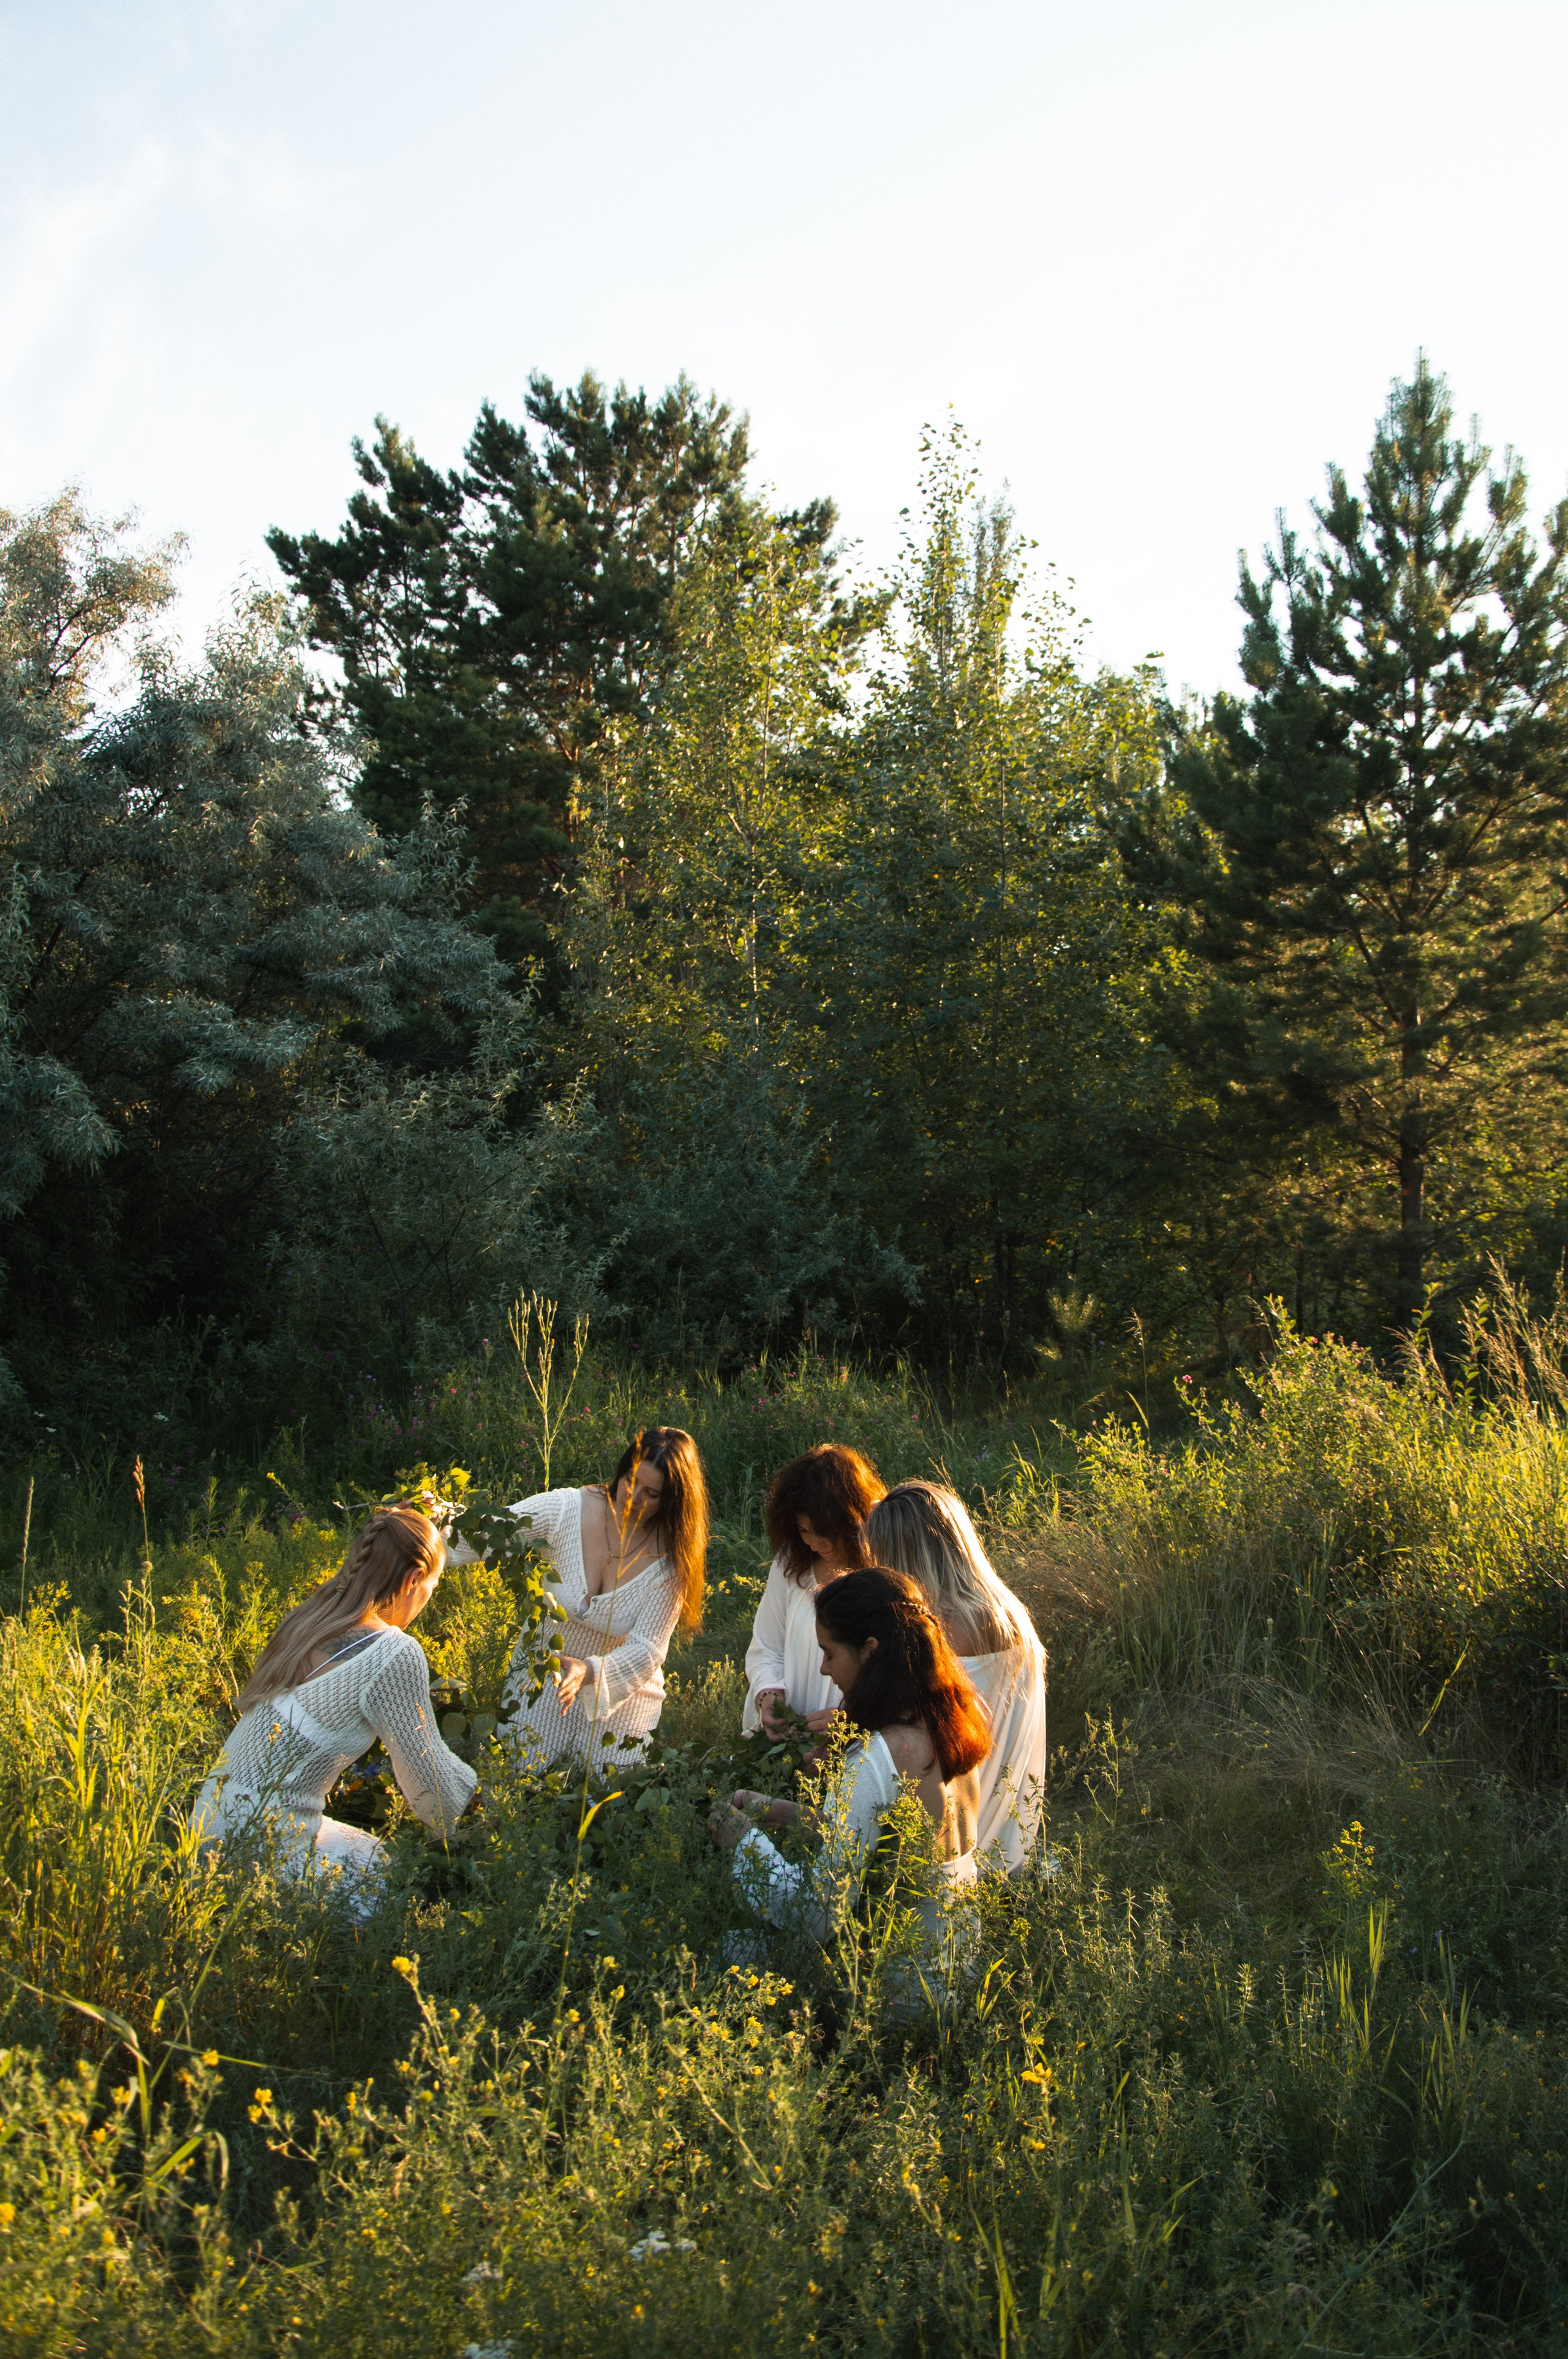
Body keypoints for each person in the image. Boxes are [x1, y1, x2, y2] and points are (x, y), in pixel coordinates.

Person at [711, 1565, 990, 1983]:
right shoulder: (951, 1723)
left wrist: (745, 1846)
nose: (824, 1669)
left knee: (724, 1947)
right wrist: (776, 1811)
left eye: (830, 1653)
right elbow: (880, 1843)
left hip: (897, 1996)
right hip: (957, 1977)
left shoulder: (882, 1756)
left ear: (870, 1649)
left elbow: (817, 1917)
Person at [190, 1506, 475, 1912]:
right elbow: (434, 1793)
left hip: (204, 1836)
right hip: (261, 1851)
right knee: (398, 1885)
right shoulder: (394, 1652)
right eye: (433, 1587)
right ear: (414, 1579)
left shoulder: (311, 1621)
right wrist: (481, 1795)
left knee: (374, 1852)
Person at [500, 1427, 707, 1771]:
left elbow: (648, 1651)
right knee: (519, 1777)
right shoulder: (567, 1509)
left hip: (622, 1690)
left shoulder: (672, 1561)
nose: (633, 1496)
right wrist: (428, 1517)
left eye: (651, 1494)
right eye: (630, 1479)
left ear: (672, 1501)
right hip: (544, 1673)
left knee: (609, 1799)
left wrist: (591, 1670)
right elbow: (494, 1527)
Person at [867, 1481, 1047, 1870]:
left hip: (962, 1850)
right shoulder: (1005, 1608)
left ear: (903, 1557)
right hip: (1012, 1842)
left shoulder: (943, 1631)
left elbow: (929, 1745)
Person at [742, 1444, 886, 1740]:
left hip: (857, 1740)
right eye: (804, 1531)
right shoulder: (790, 1564)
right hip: (787, 1739)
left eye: (825, 1530)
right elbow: (766, 1647)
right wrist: (768, 1695)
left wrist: (853, 1721)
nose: (814, 1542)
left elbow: (896, 1672)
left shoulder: (883, 1573)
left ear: (851, 1520)